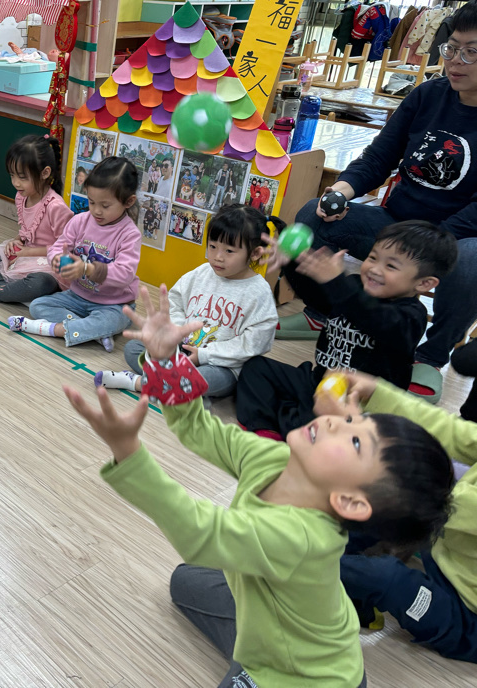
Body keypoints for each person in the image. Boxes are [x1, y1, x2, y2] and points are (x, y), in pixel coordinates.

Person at [64, 284, 456, 688]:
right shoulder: (277, 458)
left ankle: (273, 662)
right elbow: (202, 430)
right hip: (283, 613)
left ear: (350, 501)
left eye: (355, 441)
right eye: (355, 419)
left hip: (304, 677)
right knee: (185, 580)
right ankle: (263, 634)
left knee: (233, 610)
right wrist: (167, 361)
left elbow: (203, 533)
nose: (337, 420)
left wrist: (130, 455)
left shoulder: (302, 538)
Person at [279, 0, 477, 402]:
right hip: (394, 225)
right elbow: (378, 158)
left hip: (454, 238)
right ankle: (322, 314)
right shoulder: (427, 95)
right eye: (451, 48)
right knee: (312, 215)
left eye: (471, 52)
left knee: (473, 259)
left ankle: (430, 356)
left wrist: (428, 243)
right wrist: (340, 192)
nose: (456, 60)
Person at [237, 221, 457, 439]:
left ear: (424, 283)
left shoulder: (411, 315)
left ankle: (293, 422)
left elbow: (374, 317)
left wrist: (337, 283)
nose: (374, 269)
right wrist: (292, 264)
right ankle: (268, 428)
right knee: (254, 367)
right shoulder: (354, 286)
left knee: (326, 423)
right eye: (372, 257)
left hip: (358, 404)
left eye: (391, 266)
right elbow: (317, 299)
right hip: (319, 380)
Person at [324, 371, 477, 665]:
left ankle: (310, 575)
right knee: (354, 518)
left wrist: (365, 441)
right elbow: (450, 431)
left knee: (386, 576)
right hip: (449, 549)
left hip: (467, 619)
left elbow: (444, 503)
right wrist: (377, 394)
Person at [95, 204, 280, 398]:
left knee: (204, 379)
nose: (218, 257)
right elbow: (175, 303)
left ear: (255, 253)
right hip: (182, 348)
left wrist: (204, 355)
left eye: (229, 251)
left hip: (220, 365)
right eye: (213, 246)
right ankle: (170, 382)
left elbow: (254, 343)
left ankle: (138, 382)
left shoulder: (258, 292)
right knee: (134, 348)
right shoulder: (201, 273)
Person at [8, 156, 141, 352]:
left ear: (128, 201)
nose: (96, 211)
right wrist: (56, 259)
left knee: (113, 320)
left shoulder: (129, 234)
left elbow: (125, 274)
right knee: (38, 306)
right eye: (91, 202)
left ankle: (51, 329)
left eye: (105, 206)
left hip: (114, 304)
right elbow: (58, 246)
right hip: (77, 296)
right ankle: (91, 332)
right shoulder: (80, 221)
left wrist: (87, 269)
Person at [0, 134, 72, 303]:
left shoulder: (56, 207)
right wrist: (16, 241)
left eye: (22, 177)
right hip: (22, 259)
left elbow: (66, 248)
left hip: (48, 266)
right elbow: (27, 232)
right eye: (12, 175)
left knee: (40, 282)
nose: (16, 183)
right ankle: (10, 290)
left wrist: (29, 252)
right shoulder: (21, 197)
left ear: (45, 173)